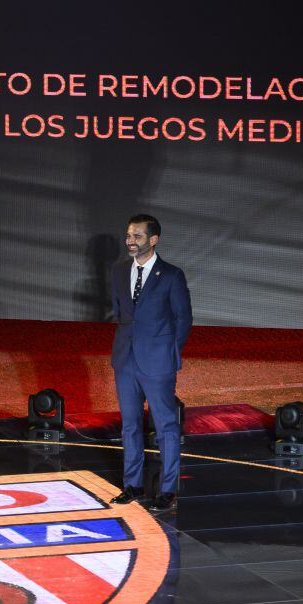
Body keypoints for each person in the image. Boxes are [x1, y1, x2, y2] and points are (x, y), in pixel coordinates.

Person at [109, 215, 192, 512]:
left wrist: (167, 351)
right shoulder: (119, 271)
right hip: (125, 359)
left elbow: (183, 319)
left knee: (166, 426)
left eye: (137, 236)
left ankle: (168, 490)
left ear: (153, 240)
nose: (130, 241)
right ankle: (133, 485)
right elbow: (121, 312)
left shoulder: (171, 275)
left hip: (158, 362)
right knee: (130, 425)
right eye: (128, 235)